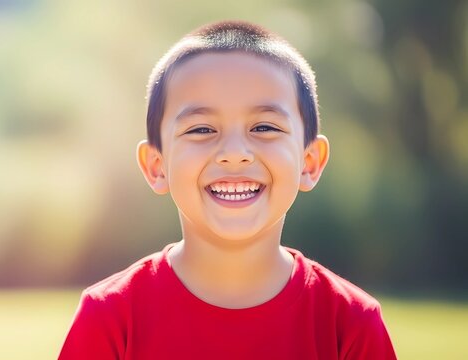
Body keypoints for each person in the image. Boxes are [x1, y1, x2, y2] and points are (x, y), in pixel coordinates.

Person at [59, 20, 397, 359]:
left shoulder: (350, 325)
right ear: (156, 166)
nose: (234, 153)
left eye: (264, 127)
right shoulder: (110, 318)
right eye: (202, 129)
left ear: (309, 162)